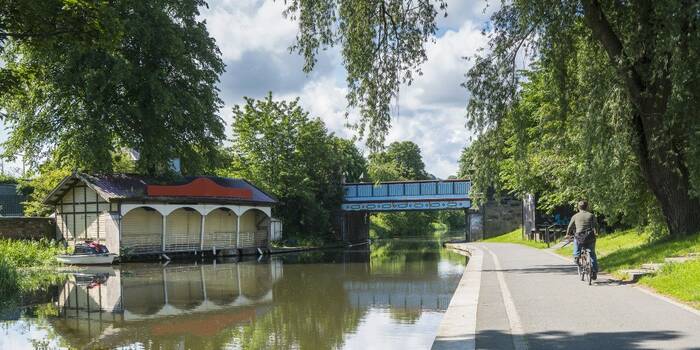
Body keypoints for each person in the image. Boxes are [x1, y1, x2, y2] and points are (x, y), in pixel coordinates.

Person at [566, 201, 598, 279]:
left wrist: (567, 234)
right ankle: (594, 271)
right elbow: (596, 225)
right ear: (587, 207)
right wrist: (596, 232)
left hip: (579, 237)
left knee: (576, 245)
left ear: (578, 207)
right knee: (592, 254)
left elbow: (570, 227)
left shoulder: (575, 216)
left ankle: (577, 257)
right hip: (590, 236)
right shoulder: (591, 215)